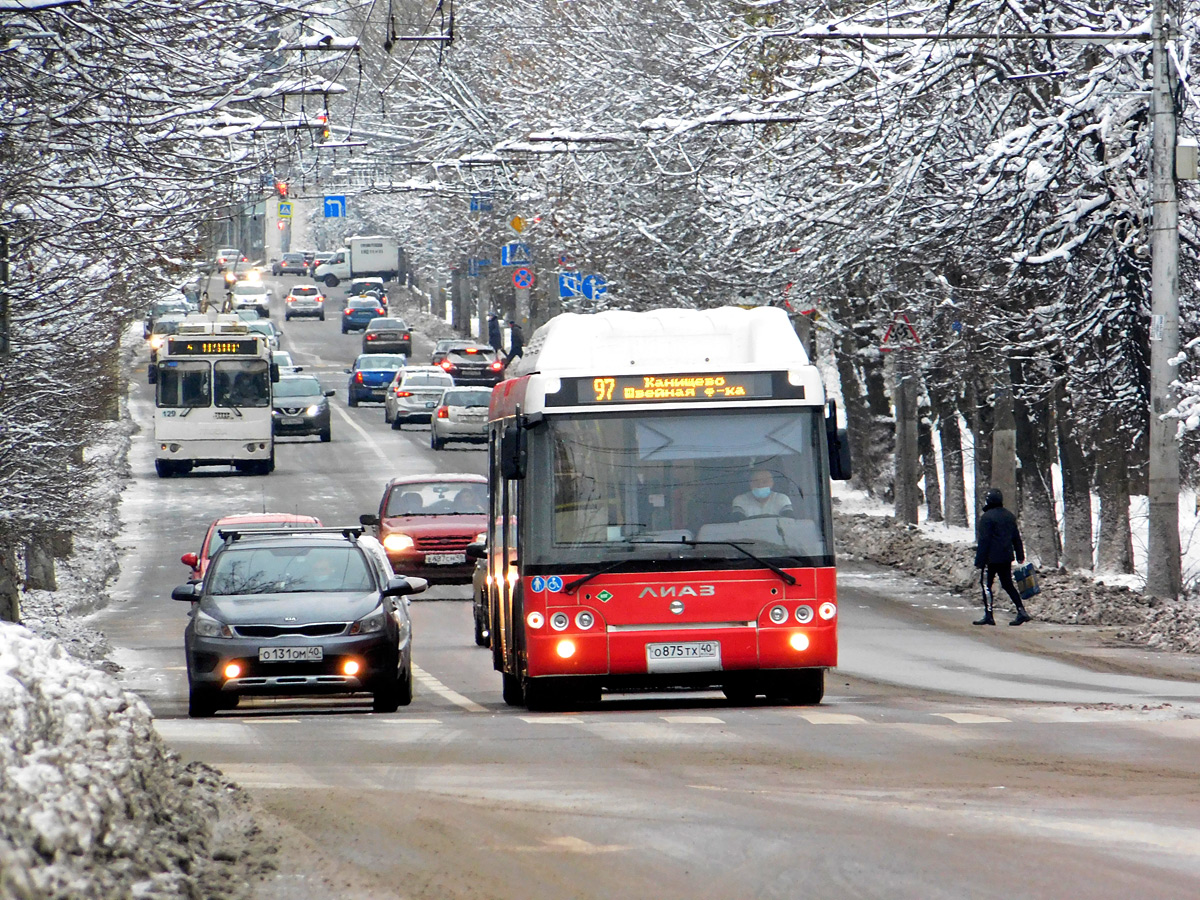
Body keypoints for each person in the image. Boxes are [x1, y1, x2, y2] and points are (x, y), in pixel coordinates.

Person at [973, 488, 1032, 626]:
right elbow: (1016, 537)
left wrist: (979, 561)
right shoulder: (1009, 516)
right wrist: (1020, 555)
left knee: (986, 585)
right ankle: (1021, 610)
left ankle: (989, 615)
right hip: (1006, 557)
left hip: (990, 559)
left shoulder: (986, 518)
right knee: (1007, 584)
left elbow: (984, 541)